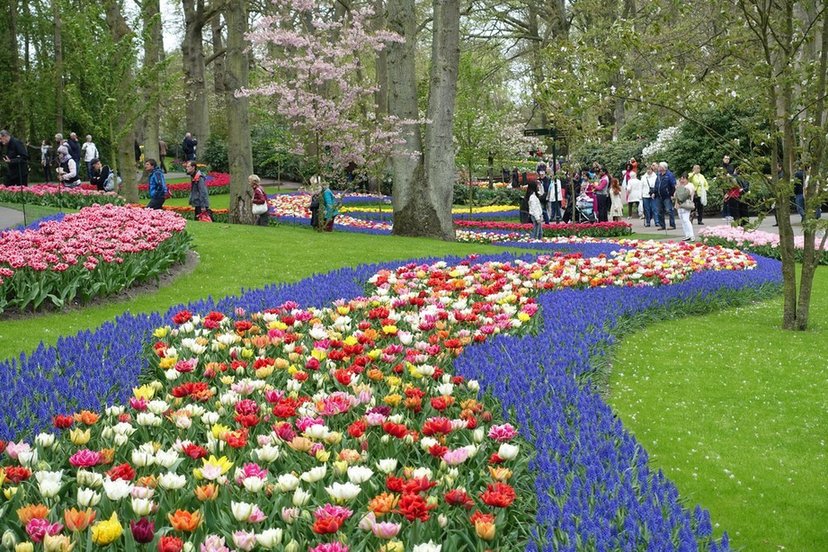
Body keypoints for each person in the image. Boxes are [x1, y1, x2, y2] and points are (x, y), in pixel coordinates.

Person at [654, 162, 676, 230]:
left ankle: (672, 225)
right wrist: (654, 192)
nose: (658, 168)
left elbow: (673, 185)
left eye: (659, 166)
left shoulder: (669, 175)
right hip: (659, 195)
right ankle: (662, 225)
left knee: (669, 210)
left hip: (667, 196)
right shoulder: (658, 175)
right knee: (659, 210)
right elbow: (656, 184)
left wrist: (672, 194)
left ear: (663, 168)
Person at [674, 173, 695, 241]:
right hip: (679, 205)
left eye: (684, 179)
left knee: (686, 219)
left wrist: (679, 187)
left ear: (687, 179)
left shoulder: (690, 186)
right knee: (682, 220)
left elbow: (683, 196)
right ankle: (687, 235)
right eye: (681, 179)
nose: (682, 180)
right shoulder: (679, 186)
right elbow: (675, 195)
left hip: (686, 204)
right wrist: (676, 202)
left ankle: (692, 235)